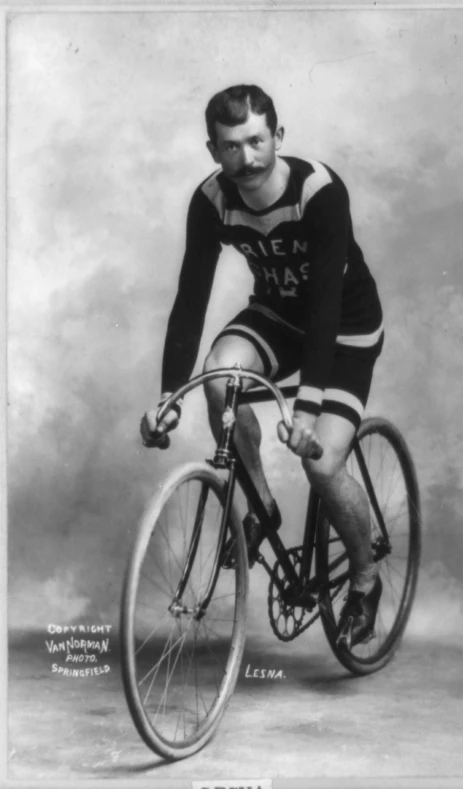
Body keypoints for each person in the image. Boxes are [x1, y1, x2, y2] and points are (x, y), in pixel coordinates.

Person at [140, 84, 384, 648]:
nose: (245, 159)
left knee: (322, 468)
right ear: (212, 149)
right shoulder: (211, 200)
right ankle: (262, 505)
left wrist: (307, 406)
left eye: (256, 141)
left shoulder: (319, 191)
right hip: (276, 315)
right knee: (217, 376)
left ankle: (366, 582)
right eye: (230, 147)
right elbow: (190, 297)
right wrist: (167, 396)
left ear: (278, 136)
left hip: (343, 328)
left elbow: (325, 303)